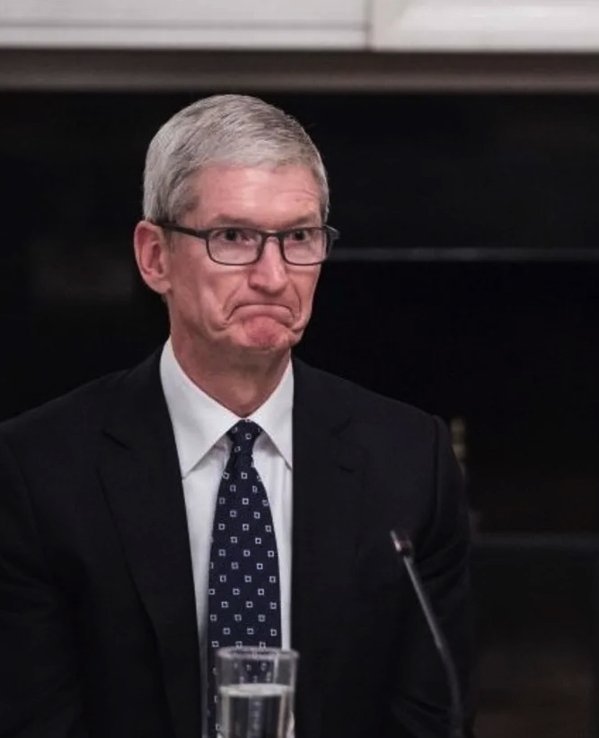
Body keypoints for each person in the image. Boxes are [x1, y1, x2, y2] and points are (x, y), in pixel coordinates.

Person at [0, 94, 473, 737]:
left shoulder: (409, 459)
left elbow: (431, 715)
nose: (274, 276)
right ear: (155, 257)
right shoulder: (38, 468)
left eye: (300, 237)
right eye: (234, 237)